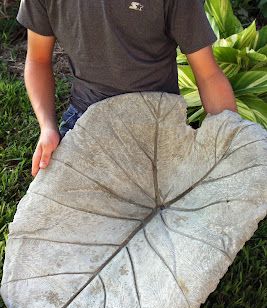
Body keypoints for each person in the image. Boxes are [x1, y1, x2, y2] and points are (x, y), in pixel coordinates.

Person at [16, 0, 237, 178]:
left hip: (156, 123)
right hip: (85, 117)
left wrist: (231, 142)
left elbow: (208, 74)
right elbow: (37, 59)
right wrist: (47, 127)